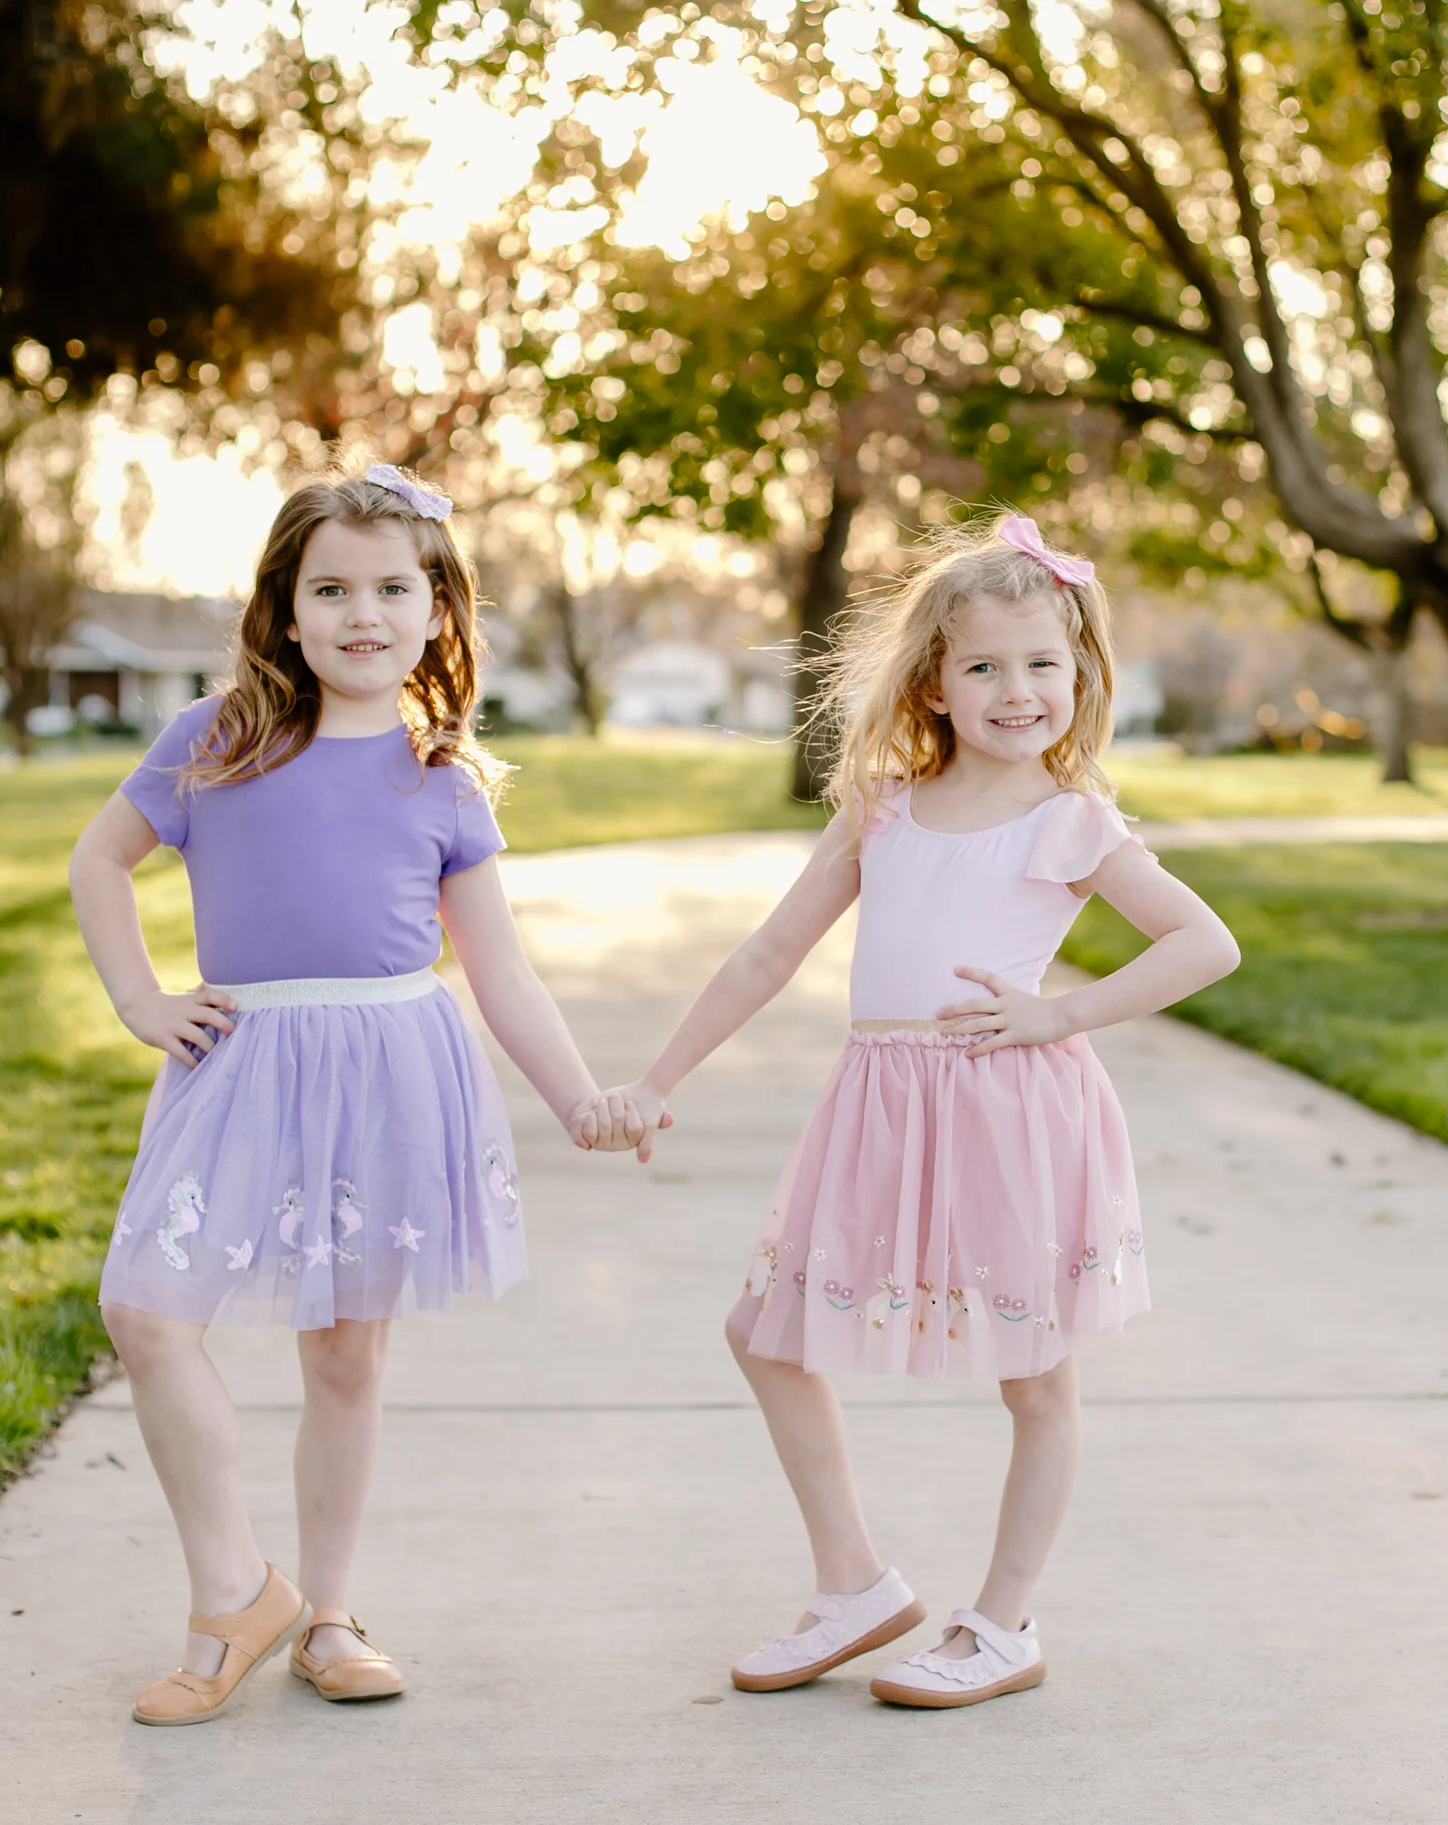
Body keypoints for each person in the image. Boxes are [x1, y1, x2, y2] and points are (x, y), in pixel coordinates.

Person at [603, 514, 1240, 1709]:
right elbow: (767, 951)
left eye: (1043, 662)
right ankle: (852, 1583)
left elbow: (1203, 943)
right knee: (763, 1331)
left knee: (1034, 1376)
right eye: (985, 666)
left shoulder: (1070, 820)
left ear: (1081, 675)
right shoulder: (883, 809)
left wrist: (1062, 1013)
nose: (1017, 689)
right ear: (935, 682)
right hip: (880, 1108)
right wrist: (656, 1078)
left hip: (1010, 1111)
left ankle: (1003, 1620)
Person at [68, 465, 627, 1726]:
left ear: (437, 610)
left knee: (346, 1356)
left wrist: (581, 1098)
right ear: (286, 606)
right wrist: (141, 999)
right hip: (241, 1062)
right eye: (331, 588)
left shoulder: (442, 776)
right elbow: (98, 860)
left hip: (387, 1068)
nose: (361, 613)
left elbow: (502, 971)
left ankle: (325, 1612)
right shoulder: (217, 735)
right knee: (147, 1310)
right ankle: (232, 1595)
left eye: (391, 588)